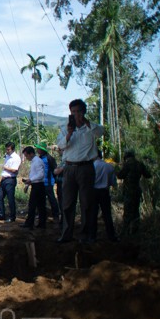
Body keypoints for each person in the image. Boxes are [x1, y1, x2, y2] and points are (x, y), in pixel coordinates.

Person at [55, 98, 104, 243]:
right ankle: (66, 234)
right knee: (67, 203)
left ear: (83, 112)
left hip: (86, 167)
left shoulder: (91, 128)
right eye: (73, 112)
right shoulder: (65, 129)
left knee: (87, 203)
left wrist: (87, 122)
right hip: (69, 168)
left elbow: (100, 132)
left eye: (78, 111)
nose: (76, 114)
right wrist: (69, 134)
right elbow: (60, 145)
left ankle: (86, 235)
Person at [116, 149, 151, 236]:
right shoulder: (139, 164)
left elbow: (120, 175)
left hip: (129, 191)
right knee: (136, 211)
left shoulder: (127, 164)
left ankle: (125, 232)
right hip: (137, 190)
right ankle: (135, 232)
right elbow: (148, 175)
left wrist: (117, 169)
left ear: (126, 156)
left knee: (127, 212)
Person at [89, 150, 118, 242]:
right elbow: (113, 182)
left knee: (93, 214)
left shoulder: (92, 167)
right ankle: (111, 236)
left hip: (93, 192)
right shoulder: (109, 167)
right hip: (104, 192)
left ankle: (92, 236)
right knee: (107, 214)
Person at [21, 146, 47, 229]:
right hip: (36, 185)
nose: (26, 158)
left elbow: (40, 175)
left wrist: (30, 180)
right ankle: (40, 224)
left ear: (31, 154)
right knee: (39, 205)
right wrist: (28, 184)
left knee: (34, 205)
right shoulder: (34, 161)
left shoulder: (37, 162)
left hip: (38, 186)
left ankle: (30, 223)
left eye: (26, 156)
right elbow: (33, 174)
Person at [0, 142, 21, 222]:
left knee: (10, 199)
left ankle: (12, 217)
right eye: (6, 149)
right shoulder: (7, 156)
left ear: (12, 149)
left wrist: (5, 167)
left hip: (10, 180)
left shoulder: (16, 158)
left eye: (8, 149)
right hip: (4, 179)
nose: (7, 150)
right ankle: (1, 214)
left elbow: (14, 170)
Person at [37, 143, 61, 224]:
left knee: (52, 200)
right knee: (41, 200)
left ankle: (56, 216)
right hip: (41, 182)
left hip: (49, 183)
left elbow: (54, 170)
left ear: (42, 150)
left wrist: (54, 180)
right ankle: (43, 216)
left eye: (39, 149)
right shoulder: (39, 158)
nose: (37, 150)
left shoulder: (49, 158)